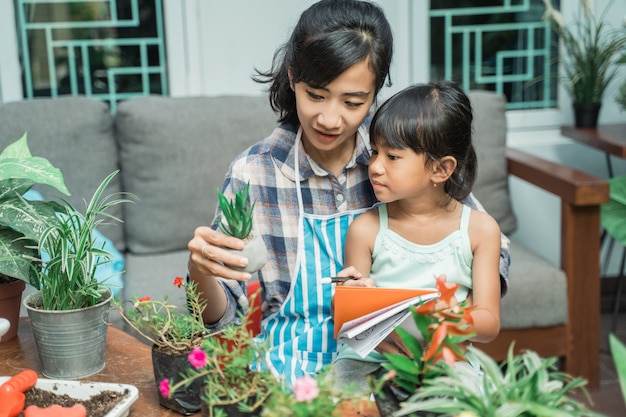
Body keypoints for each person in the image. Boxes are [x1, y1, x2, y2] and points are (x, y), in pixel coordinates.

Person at [187, 0, 509, 385]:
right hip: (289, 368)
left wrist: (424, 319)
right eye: (316, 95)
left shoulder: (399, 154)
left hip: (399, 365)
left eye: (353, 102)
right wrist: (200, 272)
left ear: (375, 94)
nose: (329, 118)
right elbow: (225, 316)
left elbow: (485, 244)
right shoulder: (255, 173)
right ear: (293, 78)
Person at [333, 81, 502, 391]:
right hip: (372, 362)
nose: (375, 167)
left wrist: (445, 319)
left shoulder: (480, 230)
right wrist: (350, 297)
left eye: (392, 157)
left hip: (447, 364)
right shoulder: (367, 229)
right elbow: (347, 322)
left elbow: (489, 323)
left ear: (440, 169)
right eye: (374, 152)